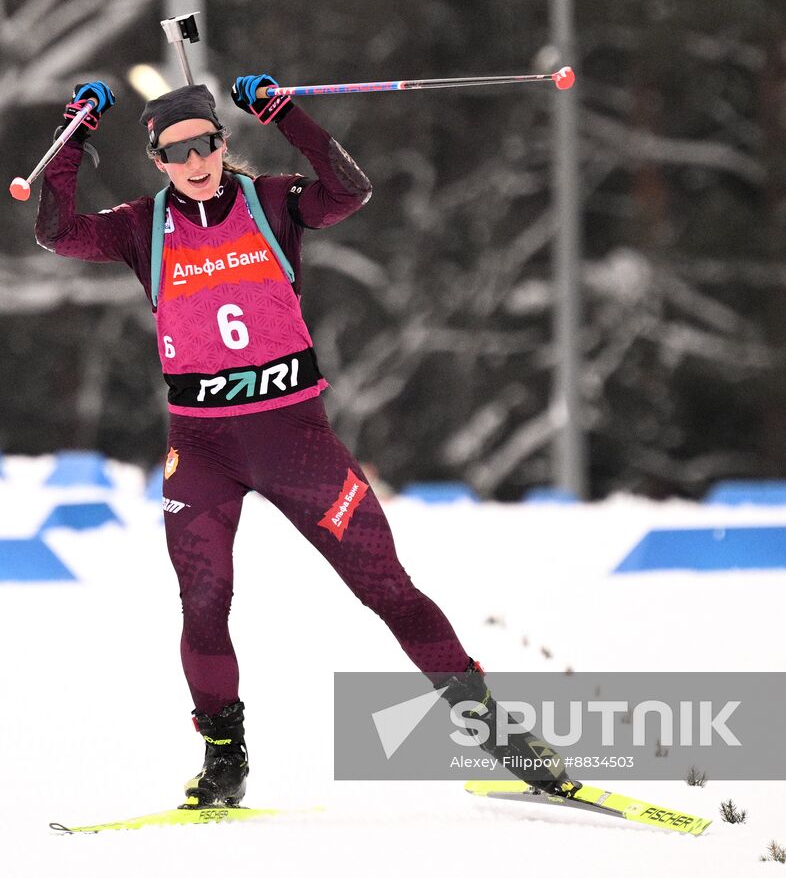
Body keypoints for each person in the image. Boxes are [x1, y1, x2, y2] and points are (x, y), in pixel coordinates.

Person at [35, 76, 573, 807]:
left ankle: (496, 733)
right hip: (201, 447)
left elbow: (349, 191)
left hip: (295, 438)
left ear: (223, 145)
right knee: (202, 598)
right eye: (176, 151)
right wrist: (74, 137)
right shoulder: (141, 226)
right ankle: (225, 753)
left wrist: (286, 115)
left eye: (205, 144)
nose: (194, 161)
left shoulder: (272, 202)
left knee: (386, 587)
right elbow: (58, 231)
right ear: (157, 160)